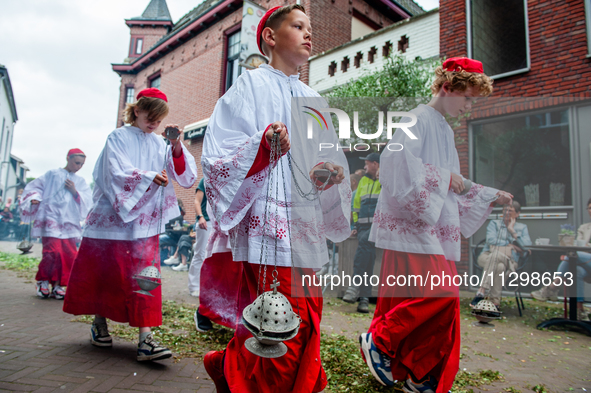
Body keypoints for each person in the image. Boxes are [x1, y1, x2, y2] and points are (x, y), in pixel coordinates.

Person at [200, 5, 351, 393]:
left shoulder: (313, 98)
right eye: (297, 26)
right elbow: (221, 154)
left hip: (305, 225)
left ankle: (229, 366)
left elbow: (322, 162)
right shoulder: (249, 85)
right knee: (281, 321)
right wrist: (264, 144)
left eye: (309, 27)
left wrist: (329, 173)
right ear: (270, 36)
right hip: (268, 228)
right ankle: (246, 375)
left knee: (303, 314)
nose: (307, 33)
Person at [359, 57, 513, 393]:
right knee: (440, 295)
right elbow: (394, 163)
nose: (469, 106)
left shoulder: (442, 126)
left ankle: (420, 373)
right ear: (447, 87)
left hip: (429, 230)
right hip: (413, 229)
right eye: (468, 97)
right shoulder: (419, 118)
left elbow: (452, 183)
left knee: (437, 303)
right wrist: (446, 178)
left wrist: (488, 194)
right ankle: (380, 341)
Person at [63, 88, 197, 362]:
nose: (154, 124)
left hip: (143, 223)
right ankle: (99, 322)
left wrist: (175, 146)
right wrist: (148, 177)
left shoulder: (160, 143)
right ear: (137, 110)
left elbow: (184, 176)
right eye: (151, 117)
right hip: (111, 220)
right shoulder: (118, 137)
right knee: (107, 271)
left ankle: (145, 338)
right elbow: (113, 172)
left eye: (159, 121)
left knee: (145, 275)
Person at [20, 149, 92, 299]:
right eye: (76, 162)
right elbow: (35, 187)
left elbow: (87, 199)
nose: (78, 166)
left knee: (68, 254)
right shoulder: (52, 174)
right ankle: (43, 281)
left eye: (82, 164)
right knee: (52, 252)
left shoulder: (80, 181)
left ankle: (59, 285)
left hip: (69, 221)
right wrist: (35, 197)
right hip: (50, 218)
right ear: (68, 158)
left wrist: (74, 191)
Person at [531, 197, 591, 320]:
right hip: (585, 263)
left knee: (571, 256)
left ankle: (552, 287)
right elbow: (577, 245)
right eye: (590, 208)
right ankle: (579, 312)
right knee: (576, 270)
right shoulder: (584, 228)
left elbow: (581, 248)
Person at [470, 201, 531, 313]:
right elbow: (491, 240)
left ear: (517, 214)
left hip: (511, 260)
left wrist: (512, 231)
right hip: (486, 256)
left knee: (497, 259)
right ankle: (495, 304)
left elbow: (526, 247)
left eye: (510, 210)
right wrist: (511, 245)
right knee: (499, 266)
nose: (507, 212)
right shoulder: (494, 224)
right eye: (505, 210)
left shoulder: (522, 228)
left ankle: (481, 291)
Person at [343, 152, 381, 313]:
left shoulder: (385, 181)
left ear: (375, 164)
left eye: (367, 164)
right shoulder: (363, 181)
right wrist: (356, 226)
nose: (364, 167)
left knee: (363, 251)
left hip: (377, 228)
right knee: (368, 261)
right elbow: (356, 205)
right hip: (364, 228)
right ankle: (364, 299)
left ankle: (355, 285)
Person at [187, 178, 213, 294]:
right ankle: (194, 287)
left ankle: (208, 286)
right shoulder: (205, 180)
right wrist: (200, 217)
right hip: (206, 222)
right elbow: (197, 201)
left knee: (213, 256)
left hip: (219, 223)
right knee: (200, 253)